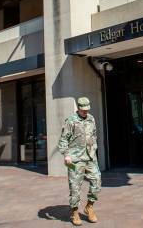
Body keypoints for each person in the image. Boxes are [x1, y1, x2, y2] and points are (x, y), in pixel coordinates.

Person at [58, 97, 101, 226]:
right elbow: (63, 139)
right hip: (75, 160)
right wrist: (66, 155)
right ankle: (75, 212)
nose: (85, 112)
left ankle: (89, 207)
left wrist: (94, 148)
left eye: (87, 110)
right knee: (75, 187)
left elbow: (93, 134)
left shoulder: (91, 118)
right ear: (78, 108)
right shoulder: (71, 121)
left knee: (97, 182)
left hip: (90, 158)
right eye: (83, 110)